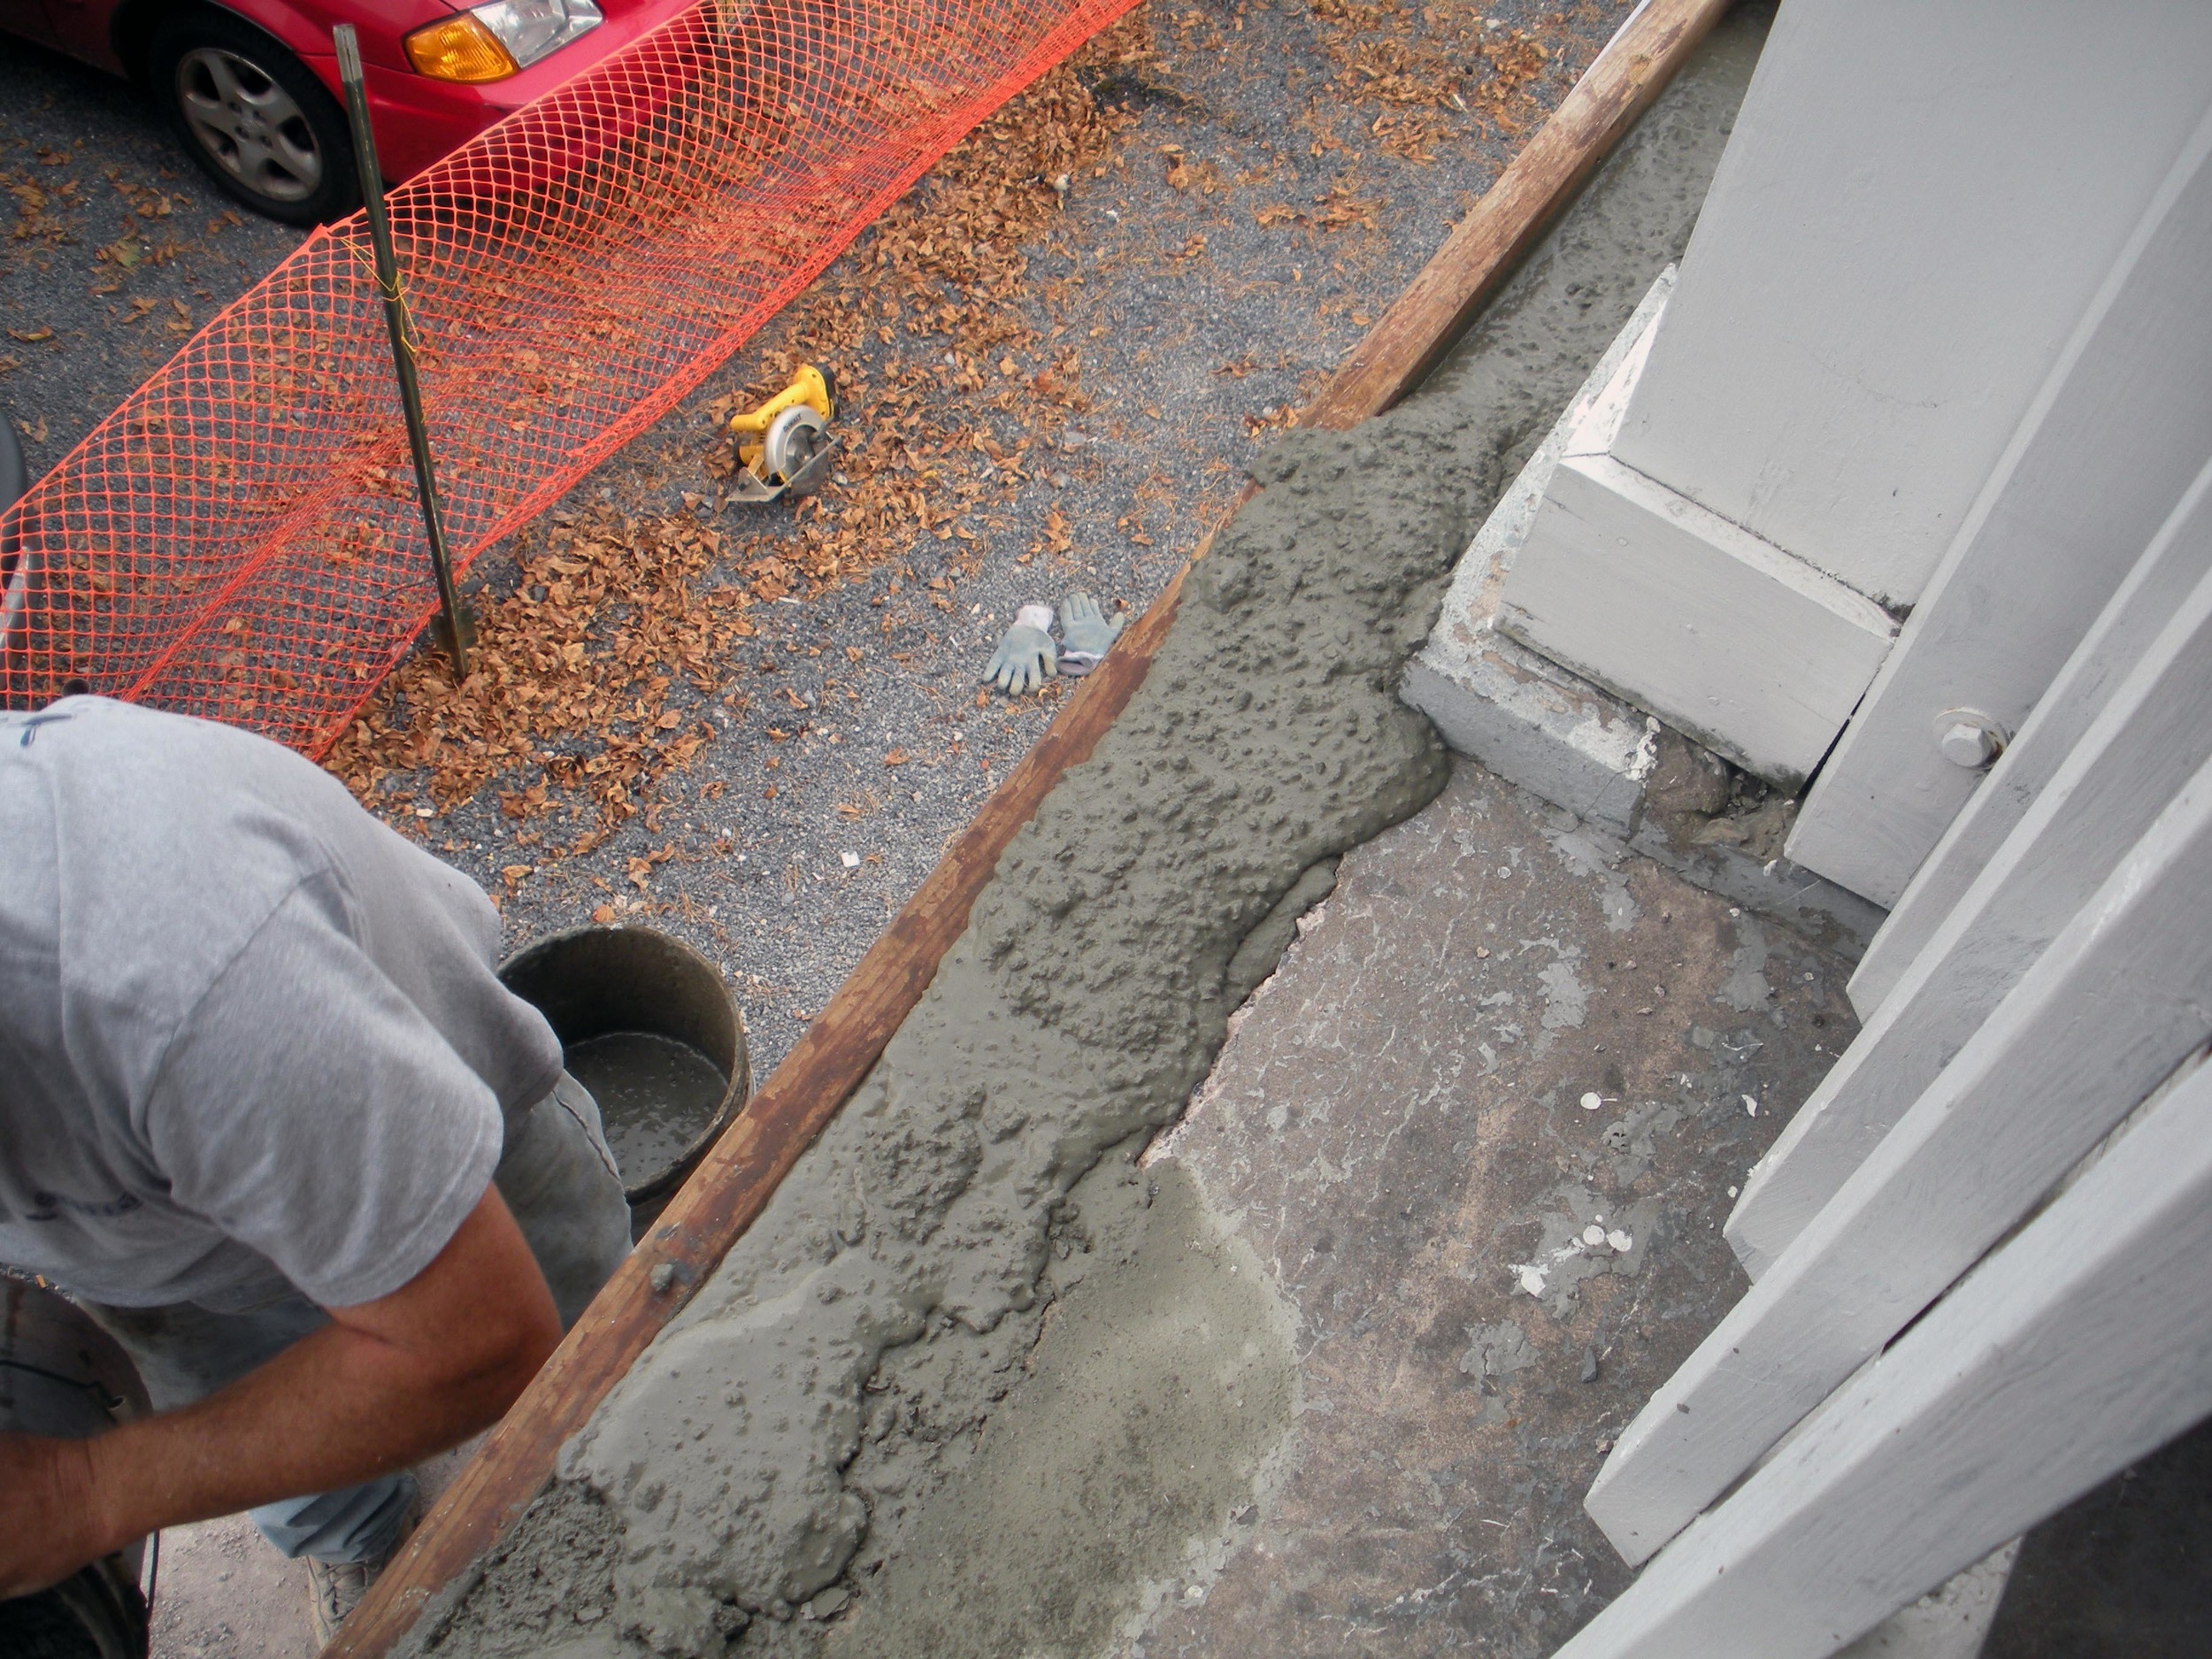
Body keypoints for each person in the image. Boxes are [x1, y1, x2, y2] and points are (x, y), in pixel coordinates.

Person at [0, 694, 632, 1640]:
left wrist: (88, 1493)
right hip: (152, 1252)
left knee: (609, 1369)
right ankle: (375, 1557)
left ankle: (623, 1475)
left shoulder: (195, 983)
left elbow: (483, 1339)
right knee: (317, 1492)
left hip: (442, 1143)